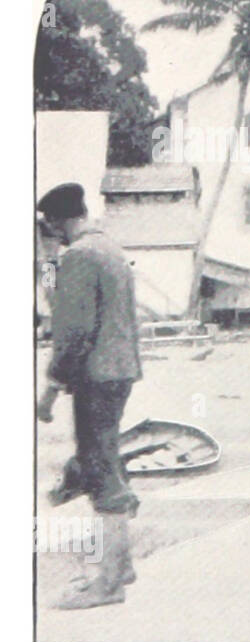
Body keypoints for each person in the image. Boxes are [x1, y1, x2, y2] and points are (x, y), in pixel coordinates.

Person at [36, 182, 142, 610]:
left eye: (51, 227)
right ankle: (123, 566)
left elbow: (71, 329)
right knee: (106, 459)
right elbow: (63, 305)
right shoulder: (109, 249)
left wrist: (50, 390)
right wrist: (48, 261)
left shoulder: (77, 257)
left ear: (60, 222)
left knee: (98, 471)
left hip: (96, 375)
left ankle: (110, 583)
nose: (52, 234)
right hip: (120, 370)